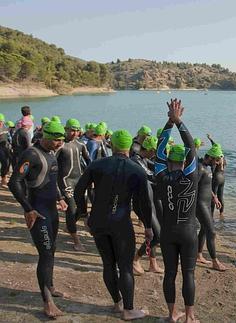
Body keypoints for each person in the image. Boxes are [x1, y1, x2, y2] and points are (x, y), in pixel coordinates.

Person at [75, 129, 153, 321]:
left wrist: (84, 213)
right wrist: (148, 226)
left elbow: (78, 191)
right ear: (128, 146)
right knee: (125, 267)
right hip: (121, 224)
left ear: (113, 145)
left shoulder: (97, 165)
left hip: (98, 222)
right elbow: (145, 203)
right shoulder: (136, 170)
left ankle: (117, 303)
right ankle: (128, 310)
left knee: (108, 264)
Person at [8, 121, 68, 318]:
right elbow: (14, 181)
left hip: (52, 211)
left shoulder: (52, 154)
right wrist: (28, 209)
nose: (59, 143)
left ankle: (49, 286)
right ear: (45, 136)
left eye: (61, 140)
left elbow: (53, 180)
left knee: (52, 250)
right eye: (56, 140)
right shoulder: (31, 154)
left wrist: (60, 198)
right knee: (45, 254)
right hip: (38, 212)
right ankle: (47, 303)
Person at [155, 99, 200, 323]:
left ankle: (171, 315)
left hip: (168, 232)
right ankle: (190, 317)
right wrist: (178, 121)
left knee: (170, 274)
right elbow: (191, 147)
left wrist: (169, 122)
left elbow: (159, 148)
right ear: (183, 162)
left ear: (168, 161)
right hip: (189, 232)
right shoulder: (191, 175)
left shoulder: (160, 176)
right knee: (188, 274)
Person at [56, 118, 91, 251]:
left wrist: (93, 178)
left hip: (79, 180)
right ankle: (76, 240)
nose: (74, 133)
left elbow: (89, 162)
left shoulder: (81, 144)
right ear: (66, 129)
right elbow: (51, 163)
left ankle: (69, 226)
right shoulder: (60, 145)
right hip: (66, 181)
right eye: (72, 130)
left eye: (77, 130)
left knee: (81, 210)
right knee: (71, 209)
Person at [131, 136, 164, 275]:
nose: (155, 154)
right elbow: (151, 175)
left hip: (149, 201)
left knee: (155, 234)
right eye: (155, 151)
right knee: (157, 235)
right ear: (150, 150)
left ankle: (152, 263)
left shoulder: (144, 159)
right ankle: (135, 259)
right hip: (142, 204)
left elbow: (156, 168)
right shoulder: (136, 160)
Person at [196, 144, 227, 271]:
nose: (218, 163)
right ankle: (215, 261)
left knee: (204, 229)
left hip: (207, 202)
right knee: (211, 231)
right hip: (200, 204)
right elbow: (192, 186)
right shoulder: (200, 168)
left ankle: (198, 255)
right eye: (217, 160)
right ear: (211, 158)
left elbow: (207, 186)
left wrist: (214, 197)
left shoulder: (207, 168)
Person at [207, 134, 226, 218]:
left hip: (216, 177)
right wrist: (210, 139)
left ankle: (211, 215)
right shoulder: (222, 156)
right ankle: (221, 213)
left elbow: (213, 170)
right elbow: (215, 145)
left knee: (213, 197)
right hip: (223, 177)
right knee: (221, 196)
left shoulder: (215, 157)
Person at [0, 113, 11, 187]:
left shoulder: (5, 127)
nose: (1, 123)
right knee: (4, 163)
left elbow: (9, 137)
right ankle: (3, 180)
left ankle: (4, 179)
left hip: (6, 147)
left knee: (7, 163)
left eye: (1, 121)